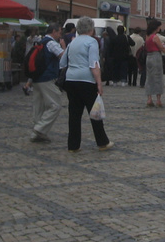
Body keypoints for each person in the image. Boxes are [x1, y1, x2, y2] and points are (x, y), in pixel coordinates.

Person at [60, 16, 112, 153]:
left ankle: (73, 145)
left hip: (71, 80)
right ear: (91, 29)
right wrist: (99, 83)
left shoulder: (73, 42)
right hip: (86, 80)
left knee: (74, 114)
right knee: (94, 112)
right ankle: (102, 142)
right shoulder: (92, 42)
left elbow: (62, 62)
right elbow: (93, 63)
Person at [29, 23, 65, 143]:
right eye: (59, 32)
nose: (60, 35)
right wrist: (64, 47)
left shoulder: (40, 41)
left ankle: (37, 133)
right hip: (47, 77)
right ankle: (40, 129)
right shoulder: (51, 43)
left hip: (36, 78)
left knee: (38, 106)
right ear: (54, 31)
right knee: (55, 105)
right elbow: (63, 57)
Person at [145, 19, 165, 107]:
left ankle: (149, 98)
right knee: (158, 77)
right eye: (159, 26)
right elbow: (162, 48)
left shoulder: (147, 36)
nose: (160, 28)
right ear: (156, 27)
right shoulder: (155, 37)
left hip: (149, 57)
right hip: (156, 57)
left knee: (149, 77)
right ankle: (158, 100)